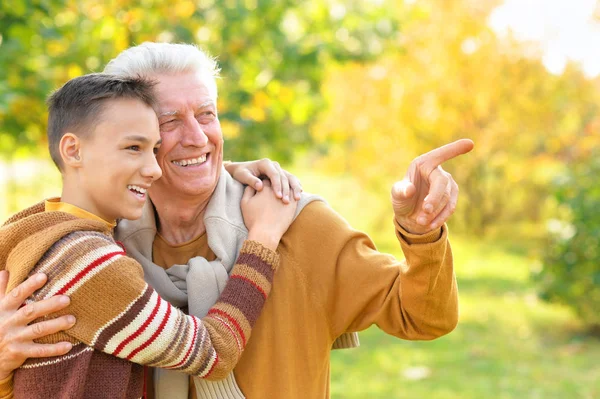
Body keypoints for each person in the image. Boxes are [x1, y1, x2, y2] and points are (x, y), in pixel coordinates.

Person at [0, 42, 474, 399]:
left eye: (207, 114)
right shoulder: (86, 246)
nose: (196, 136)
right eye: (168, 123)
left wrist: (422, 233)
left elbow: (424, 317)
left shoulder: (296, 222)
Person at [0, 73, 299, 398]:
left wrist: (221, 169)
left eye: (155, 149)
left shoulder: (37, 234)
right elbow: (214, 353)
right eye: (133, 148)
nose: (154, 168)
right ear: (73, 151)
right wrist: (264, 237)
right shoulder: (92, 264)